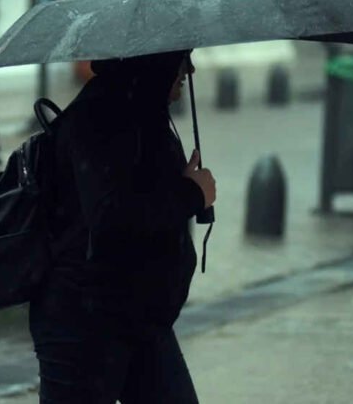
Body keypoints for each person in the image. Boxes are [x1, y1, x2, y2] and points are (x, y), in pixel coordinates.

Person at [28, 50, 216, 403]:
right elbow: (113, 218)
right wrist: (192, 194)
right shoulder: (100, 117)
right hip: (84, 323)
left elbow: (135, 194)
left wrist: (182, 182)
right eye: (181, 58)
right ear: (154, 61)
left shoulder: (140, 113)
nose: (189, 69)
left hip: (138, 314)